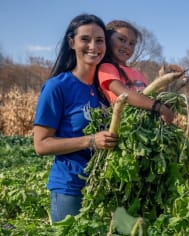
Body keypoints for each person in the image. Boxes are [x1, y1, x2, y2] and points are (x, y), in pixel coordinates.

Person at [33, 14, 118, 223]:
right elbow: (41, 145)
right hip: (70, 187)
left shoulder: (105, 89)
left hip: (103, 187)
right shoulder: (57, 87)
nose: (93, 46)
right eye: (85, 39)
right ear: (71, 42)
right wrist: (91, 141)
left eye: (99, 40)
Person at [97, 20, 176, 124]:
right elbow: (123, 94)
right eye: (121, 39)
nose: (127, 46)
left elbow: (149, 97)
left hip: (147, 126)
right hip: (127, 127)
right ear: (107, 39)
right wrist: (158, 107)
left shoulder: (138, 73)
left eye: (132, 43)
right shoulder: (106, 68)